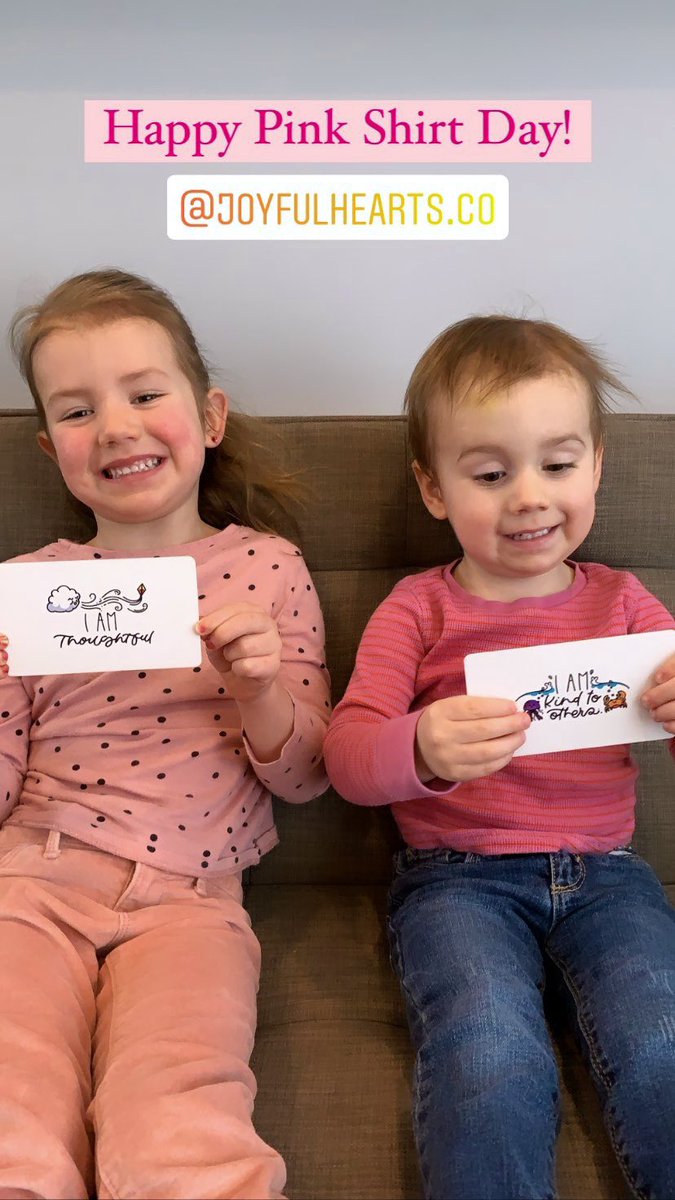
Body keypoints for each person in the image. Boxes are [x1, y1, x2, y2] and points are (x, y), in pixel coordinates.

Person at [324, 315, 675, 1200]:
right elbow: (347, 756)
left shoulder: (625, 602)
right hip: (458, 879)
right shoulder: (417, 610)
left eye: (556, 465)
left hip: (608, 875)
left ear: (596, 464)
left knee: (660, 1039)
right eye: (489, 474)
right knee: (486, 1043)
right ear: (432, 488)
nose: (527, 496)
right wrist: (422, 747)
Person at [0, 268, 330, 1200]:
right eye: (76, 410)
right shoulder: (28, 583)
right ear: (49, 447)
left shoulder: (268, 568)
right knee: (11, 1102)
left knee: (178, 1114)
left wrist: (260, 688)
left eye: (145, 394)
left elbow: (311, 774)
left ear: (210, 416)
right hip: (33, 878)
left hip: (193, 899)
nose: (114, 426)